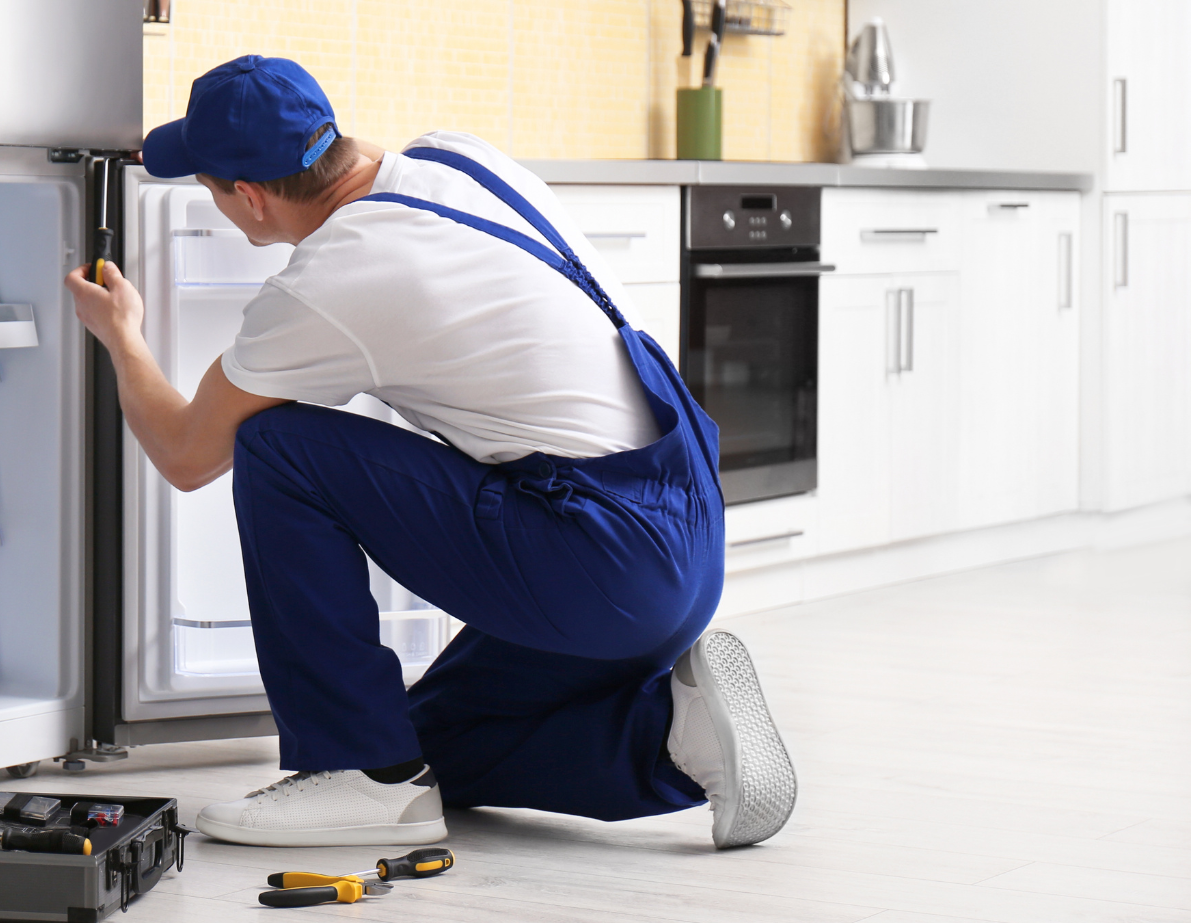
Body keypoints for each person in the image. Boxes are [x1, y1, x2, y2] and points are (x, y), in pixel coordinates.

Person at [64, 55, 796, 850]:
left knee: (277, 447)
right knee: (429, 747)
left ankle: (357, 772)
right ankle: (674, 738)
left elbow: (185, 453)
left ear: (249, 196)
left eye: (211, 187)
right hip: (682, 533)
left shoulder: (332, 278)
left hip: (600, 561)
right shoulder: (458, 157)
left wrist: (123, 337)